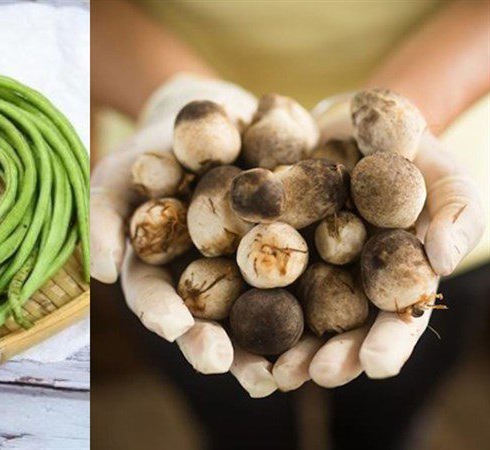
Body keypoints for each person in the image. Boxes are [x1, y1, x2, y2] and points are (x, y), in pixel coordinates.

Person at [91, 1, 489, 448]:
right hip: (152, 116)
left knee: (389, 416)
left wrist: (402, 112)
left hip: (435, 207)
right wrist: (170, 93)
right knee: (235, 420)